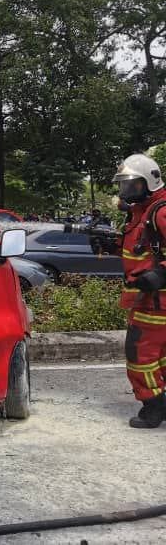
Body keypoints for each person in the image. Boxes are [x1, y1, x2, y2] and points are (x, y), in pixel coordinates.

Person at [113, 155, 166, 428]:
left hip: (156, 303)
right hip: (150, 299)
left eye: (132, 185)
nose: (126, 192)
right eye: (124, 186)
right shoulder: (142, 212)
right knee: (161, 356)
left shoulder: (160, 211)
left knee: (140, 355)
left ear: (150, 182)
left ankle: (153, 407)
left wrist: (161, 273)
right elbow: (141, 249)